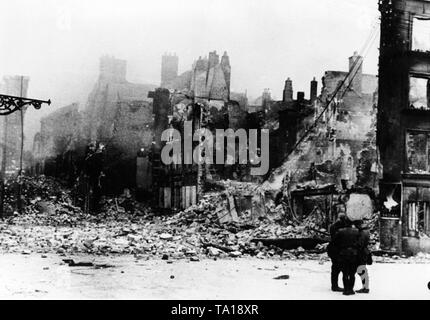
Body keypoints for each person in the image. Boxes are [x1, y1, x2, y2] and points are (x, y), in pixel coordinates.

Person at [333, 219, 360, 295]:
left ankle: (346, 289)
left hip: (343, 253)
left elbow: (335, 242)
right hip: (354, 254)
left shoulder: (340, 231)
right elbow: (359, 243)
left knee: (345, 273)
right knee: (352, 273)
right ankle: (351, 289)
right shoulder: (357, 231)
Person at [328, 213, 348, 292]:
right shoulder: (343, 227)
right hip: (340, 250)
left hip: (333, 250)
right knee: (343, 268)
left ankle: (334, 285)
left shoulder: (333, 226)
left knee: (335, 269)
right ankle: (345, 286)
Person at [355, 220, 372, 293]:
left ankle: (365, 287)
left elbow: (360, 244)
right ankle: (365, 287)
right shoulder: (366, 231)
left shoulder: (362, 232)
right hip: (365, 252)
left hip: (361, 253)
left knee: (361, 270)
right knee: (362, 270)